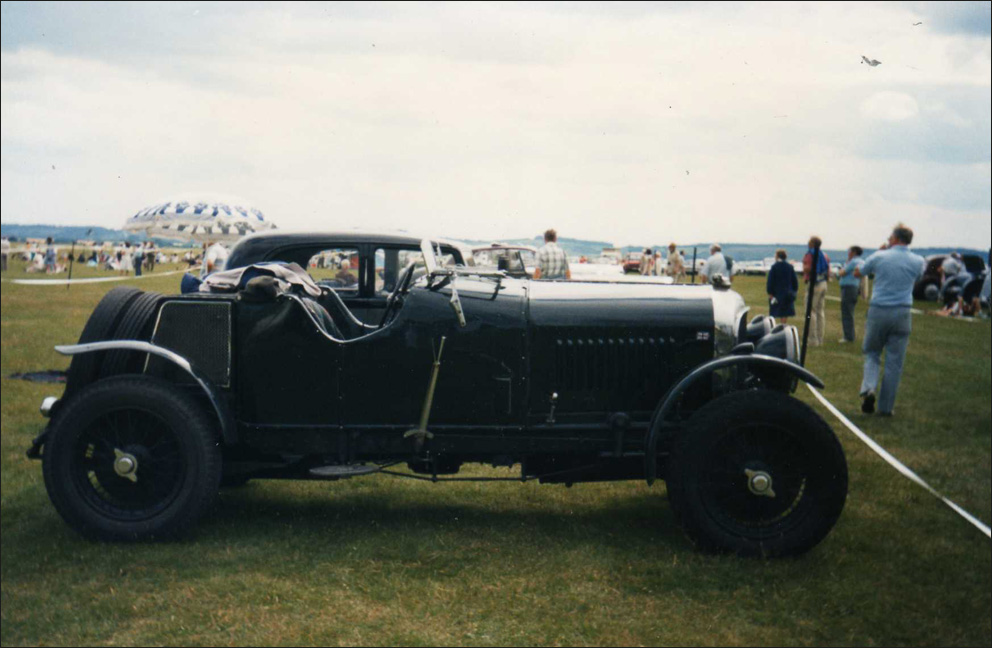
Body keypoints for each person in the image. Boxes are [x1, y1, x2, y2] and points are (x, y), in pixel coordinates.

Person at [854, 223, 925, 417]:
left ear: (895, 238)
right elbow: (918, 277)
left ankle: (869, 388)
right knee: (895, 362)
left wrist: (879, 252)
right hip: (903, 311)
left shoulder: (880, 256)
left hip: (879, 309)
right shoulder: (918, 260)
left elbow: (858, 272)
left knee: (872, 352)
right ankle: (885, 408)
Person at [802, 236, 831, 347]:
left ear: (812, 244)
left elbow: (808, 268)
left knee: (810, 312)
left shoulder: (810, 254)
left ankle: (812, 339)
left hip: (814, 284)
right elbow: (828, 270)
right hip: (823, 284)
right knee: (820, 312)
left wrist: (804, 266)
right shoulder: (825, 255)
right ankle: (820, 338)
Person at [837, 246, 865, 343]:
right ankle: (849, 335)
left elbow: (842, 273)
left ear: (854, 252)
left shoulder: (853, 262)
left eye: (849, 251)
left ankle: (848, 336)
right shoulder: (861, 261)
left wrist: (841, 270)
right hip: (854, 287)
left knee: (846, 312)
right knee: (849, 311)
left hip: (848, 288)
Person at [766, 249, 798, 324]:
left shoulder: (774, 267)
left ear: (777, 256)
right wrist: (794, 292)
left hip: (776, 294)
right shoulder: (790, 267)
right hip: (787, 294)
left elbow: (770, 281)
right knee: (784, 313)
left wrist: (770, 292)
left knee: (774, 313)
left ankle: (773, 327)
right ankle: (783, 326)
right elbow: (795, 282)